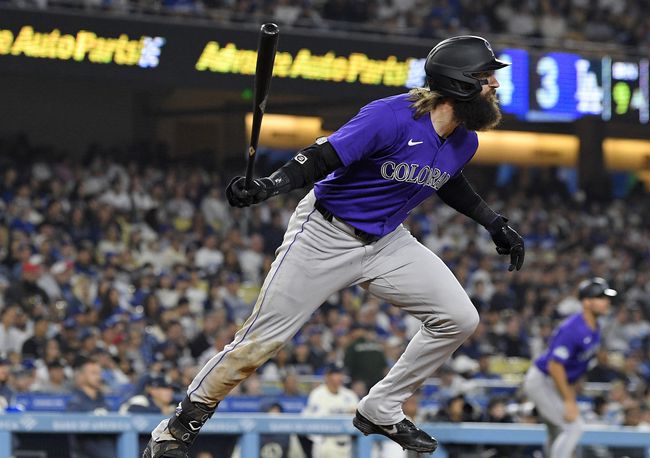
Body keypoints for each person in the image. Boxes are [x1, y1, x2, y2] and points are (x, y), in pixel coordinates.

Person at [143, 35, 525, 457]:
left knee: (459, 317)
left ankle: (381, 407)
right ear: (460, 85)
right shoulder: (390, 116)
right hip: (325, 234)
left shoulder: (464, 140)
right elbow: (323, 156)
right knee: (260, 341)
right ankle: (178, 429)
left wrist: (495, 224)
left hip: (387, 242)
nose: (495, 85)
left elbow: (448, 180)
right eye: (486, 77)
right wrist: (271, 185)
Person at [523, 278, 616, 458]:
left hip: (555, 383)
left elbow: (575, 366)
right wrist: (568, 401)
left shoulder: (595, 327)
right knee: (574, 427)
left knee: (557, 432)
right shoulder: (572, 328)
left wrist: (570, 393)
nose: (607, 302)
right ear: (587, 302)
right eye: (601, 297)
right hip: (543, 380)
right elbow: (555, 365)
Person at [302, 363, 359, 458]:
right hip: (326, 444)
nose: (339, 377)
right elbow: (311, 422)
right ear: (327, 376)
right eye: (336, 374)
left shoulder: (350, 395)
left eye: (340, 373)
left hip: (347, 446)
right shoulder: (317, 395)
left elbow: (360, 420)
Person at [66, 356, 116, 458]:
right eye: (93, 373)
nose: (98, 377)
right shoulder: (75, 403)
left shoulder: (104, 401)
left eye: (99, 373)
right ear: (81, 376)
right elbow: (75, 441)